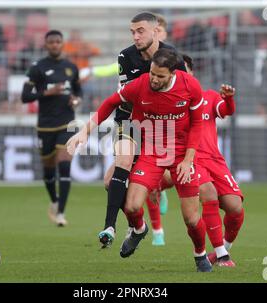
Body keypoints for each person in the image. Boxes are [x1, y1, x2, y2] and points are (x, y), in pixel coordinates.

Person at [67, 48, 212, 272]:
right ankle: (138, 228)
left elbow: (197, 124)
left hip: (181, 153)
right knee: (133, 206)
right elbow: (109, 103)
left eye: (160, 76)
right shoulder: (141, 84)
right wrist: (85, 131)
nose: (154, 79)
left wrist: (188, 159)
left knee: (192, 219)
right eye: (153, 73)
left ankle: (200, 254)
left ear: (173, 74)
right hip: (151, 152)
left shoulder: (190, 86)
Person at [98, 12, 187, 248]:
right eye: (132, 32)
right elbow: (126, 98)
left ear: (155, 30)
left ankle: (141, 222)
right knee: (117, 171)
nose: (135, 36)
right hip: (129, 119)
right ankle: (114, 226)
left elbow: (183, 94)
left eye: (140, 31)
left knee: (112, 181)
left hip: (159, 127)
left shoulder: (173, 58)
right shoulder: (126, 57)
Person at [159, 54, 244, 267]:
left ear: (191, 72)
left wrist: (229, 98)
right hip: (191, 159)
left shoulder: (208, 96)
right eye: (177, 70)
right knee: (208, 193)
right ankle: (222, 254)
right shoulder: (170, 101)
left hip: (215, 159)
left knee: (235, 207)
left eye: (184, 69)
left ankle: (222, 249)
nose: (181, 74)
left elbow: (226, 111)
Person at [21, 30, 82, 227]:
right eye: (51, 42)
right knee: (48, 171)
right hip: (46, 126)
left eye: (58, 41)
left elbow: (78, 91)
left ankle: (61, 213)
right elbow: (25, 96)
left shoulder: (71, 68)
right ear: (46, 45)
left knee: (64, 163)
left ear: (62, 44)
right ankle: (54, 201)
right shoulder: (37, 68)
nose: (55, 45)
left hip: (67, 122)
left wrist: (76, 100)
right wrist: (48, 92)